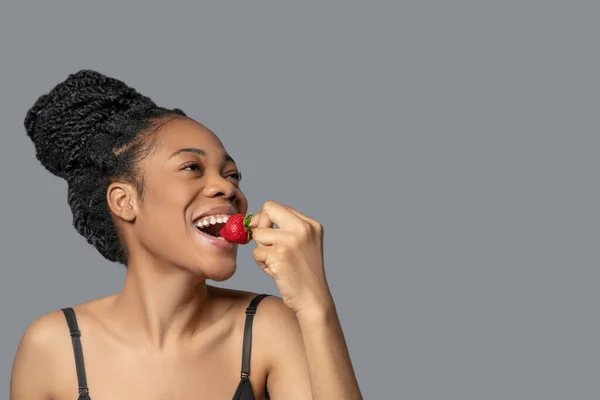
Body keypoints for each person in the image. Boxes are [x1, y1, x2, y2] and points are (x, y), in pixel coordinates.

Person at [10, 70, 363, 400]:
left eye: (233, 175)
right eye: (191, 167)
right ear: (124, 201)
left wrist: (316, 305)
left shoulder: (270, 329)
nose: (227, 187)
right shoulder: (51, 346)